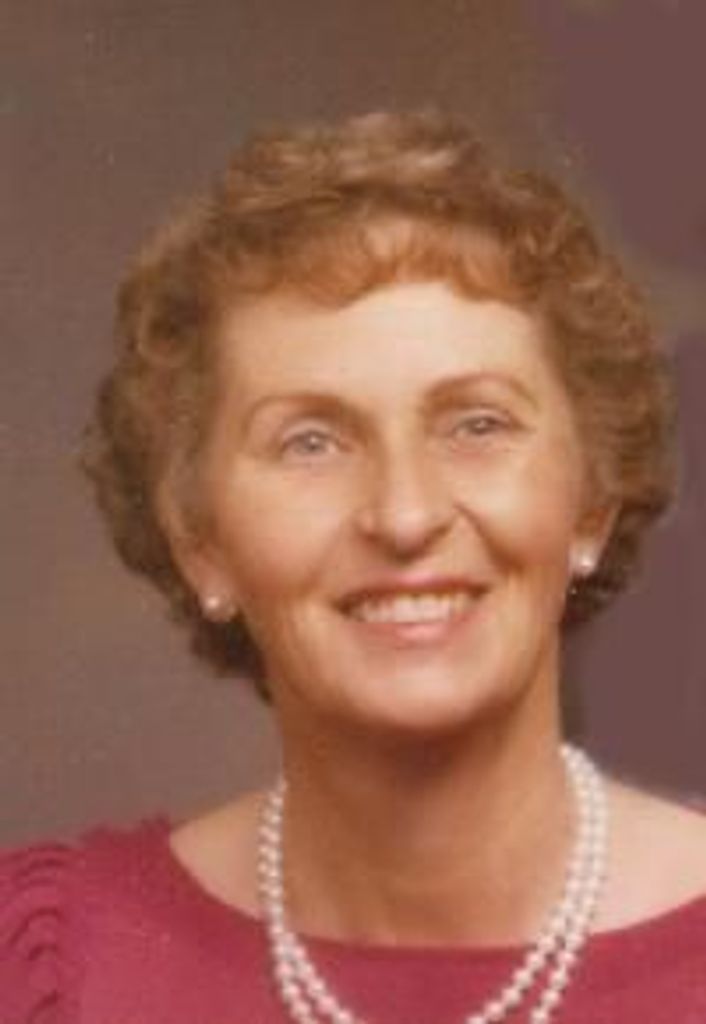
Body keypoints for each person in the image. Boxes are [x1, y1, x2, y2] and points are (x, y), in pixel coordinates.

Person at [2, 110, 705, 1024]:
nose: (405, 515)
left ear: (592, 502)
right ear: (199, 539)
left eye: (478, 424)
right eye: (311, 441)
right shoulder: (55, 974)